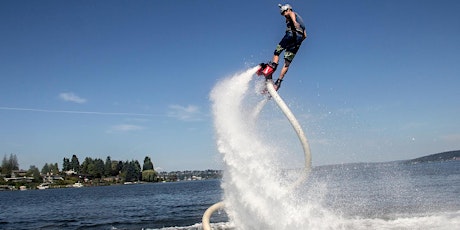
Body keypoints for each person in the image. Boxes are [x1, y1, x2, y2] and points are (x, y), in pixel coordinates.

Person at [257, 3, 307, 91]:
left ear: (288, 10)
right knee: (287, 63)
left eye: (284, 13)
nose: (285, 16)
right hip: (298, 41)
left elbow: (291, 14)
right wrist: (297, 43)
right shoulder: (302, 23)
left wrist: (294, 22)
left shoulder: (292, 13)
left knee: (277, 52)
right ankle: (278, 83)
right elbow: (305, 36)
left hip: (291, 34)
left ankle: (272, 67)